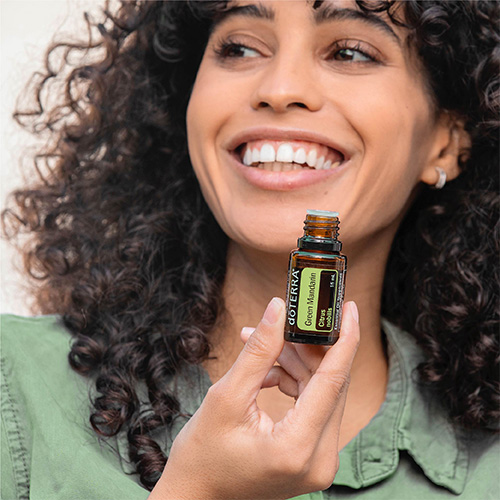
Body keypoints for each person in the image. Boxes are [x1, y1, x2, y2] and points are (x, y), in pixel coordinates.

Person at [1, 1, 498, 499]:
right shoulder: (15, 389)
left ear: (446, 140)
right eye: (238, 47)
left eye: (349, 52)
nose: (280, 89)